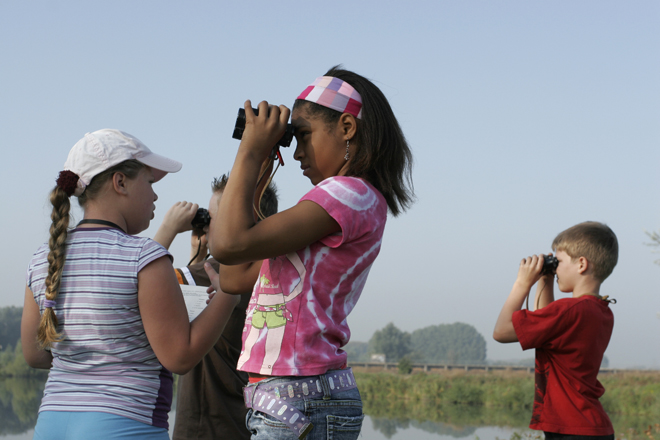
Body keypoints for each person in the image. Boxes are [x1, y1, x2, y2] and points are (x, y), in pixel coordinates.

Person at [208, 66, 414, 440]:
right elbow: (233, 274)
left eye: (304, 137)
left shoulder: (346, 195)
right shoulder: (338, 204)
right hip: (290, 399)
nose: (298, 152)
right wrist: (259, 173)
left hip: (301, 399)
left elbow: (226, 244)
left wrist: (250, 151)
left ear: (348, 128)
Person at [21, 129, 239, 440]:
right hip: (124, 426)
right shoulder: (144, 256)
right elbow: (179, 357)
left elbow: (35, 354)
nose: (155, 195)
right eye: (150, 183)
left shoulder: (42, 258)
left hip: (51, 424)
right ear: (120, 182)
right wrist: (228, 294)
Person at [152, 175, 279, 440]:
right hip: (246, 423)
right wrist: (197, 255)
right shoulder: (271, 270)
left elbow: (143, 284)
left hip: (203, 425)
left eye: (213, 218)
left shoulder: (217, 271)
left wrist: (169, 228)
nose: (207, 226)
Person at [493, 221, 618, 439]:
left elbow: (502, 331)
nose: (555, 267)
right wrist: (545, 277)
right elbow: (545, 329)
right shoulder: (599, 310)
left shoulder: (570, 310)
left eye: (558, 261)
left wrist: (522, 284)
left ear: (581, 264)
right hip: (590, 426)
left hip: (571, 429)